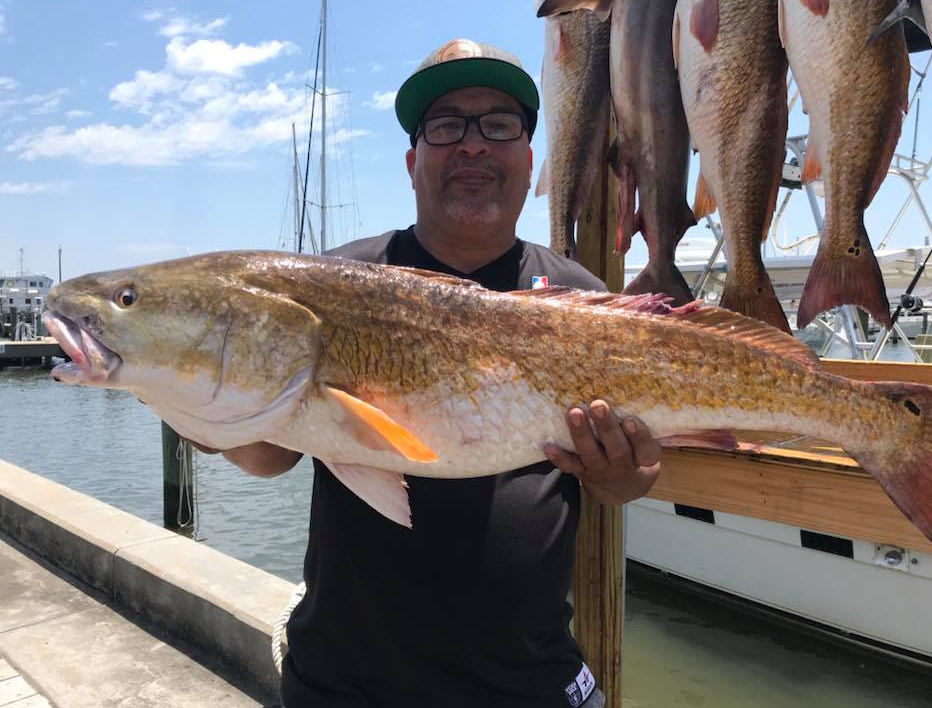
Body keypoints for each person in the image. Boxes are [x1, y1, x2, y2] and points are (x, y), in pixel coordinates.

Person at [216, 39, 661, 708]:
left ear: (529, 157)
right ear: (412, 162)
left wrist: (625, 475)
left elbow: (624, 481)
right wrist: (200, 405)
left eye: (499, 124)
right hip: (342, 686)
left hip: (529, 685)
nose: (473, 145)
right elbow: (267, 454)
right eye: (446, 125)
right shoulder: (339, 283)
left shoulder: (580, 296)